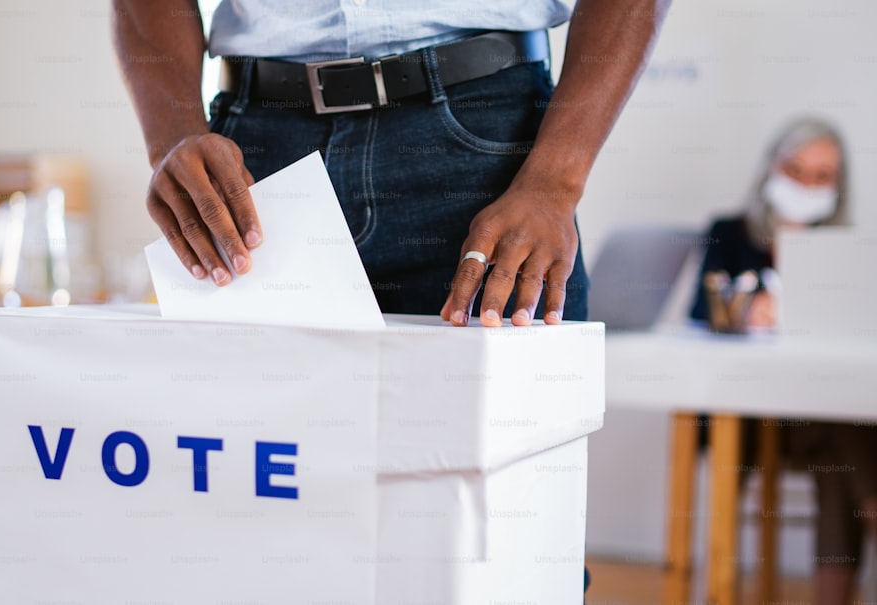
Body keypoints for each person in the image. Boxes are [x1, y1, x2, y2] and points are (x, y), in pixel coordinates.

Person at [112, 0, 670, 328]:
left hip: (490, 157)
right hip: (259, 161)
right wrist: (172, 137)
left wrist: (554, 182)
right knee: (255, 486)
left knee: (499, 496)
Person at [690, 117, 877, 605]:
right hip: (748, 414)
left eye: (821, 176)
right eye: (796, 170)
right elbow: (698, 313)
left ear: (838, 185)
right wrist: (745, 310)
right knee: (847, 432)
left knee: (842, 429)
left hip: (814, 417)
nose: (806, 185)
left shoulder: (849, 252)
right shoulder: (728, 234)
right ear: (772, 167)